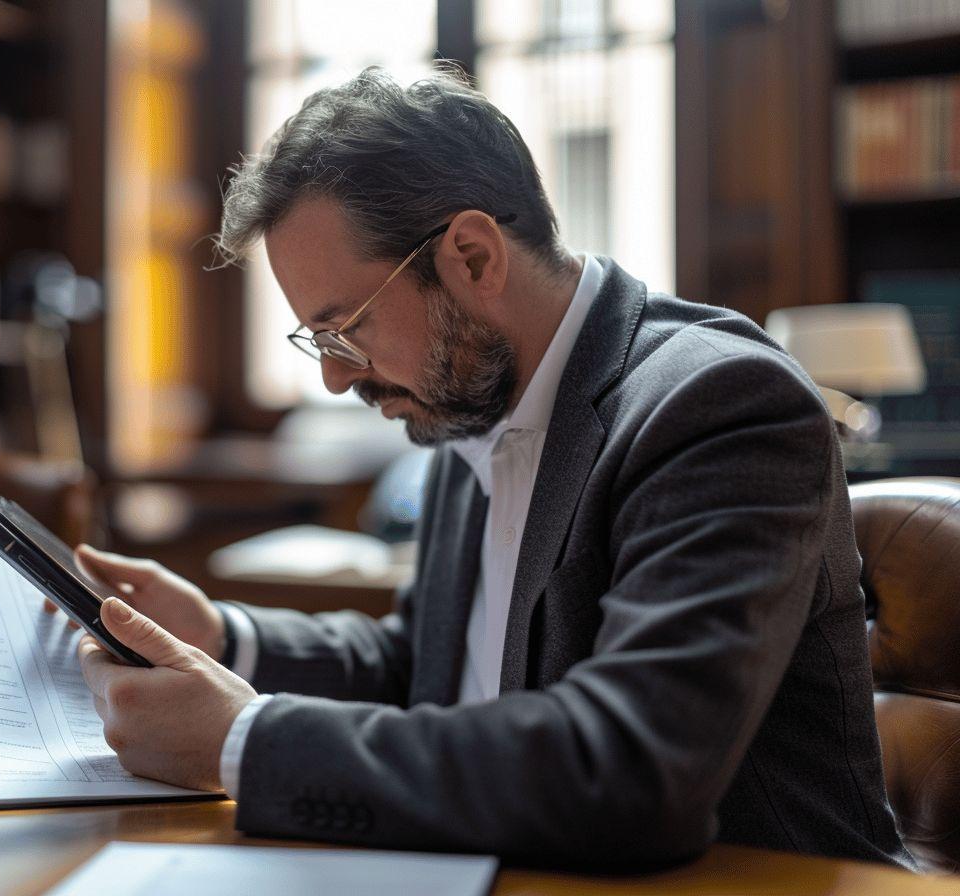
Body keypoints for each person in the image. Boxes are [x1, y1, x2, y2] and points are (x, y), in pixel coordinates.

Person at [66, 67, 914, 871]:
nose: (333, 375)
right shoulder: (464, 400)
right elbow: (427, 668)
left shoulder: (719, 405)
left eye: (343, 329)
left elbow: (631, 771)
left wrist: (242, 741)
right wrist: (220, 636)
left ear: (472, 256)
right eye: (315, 341)